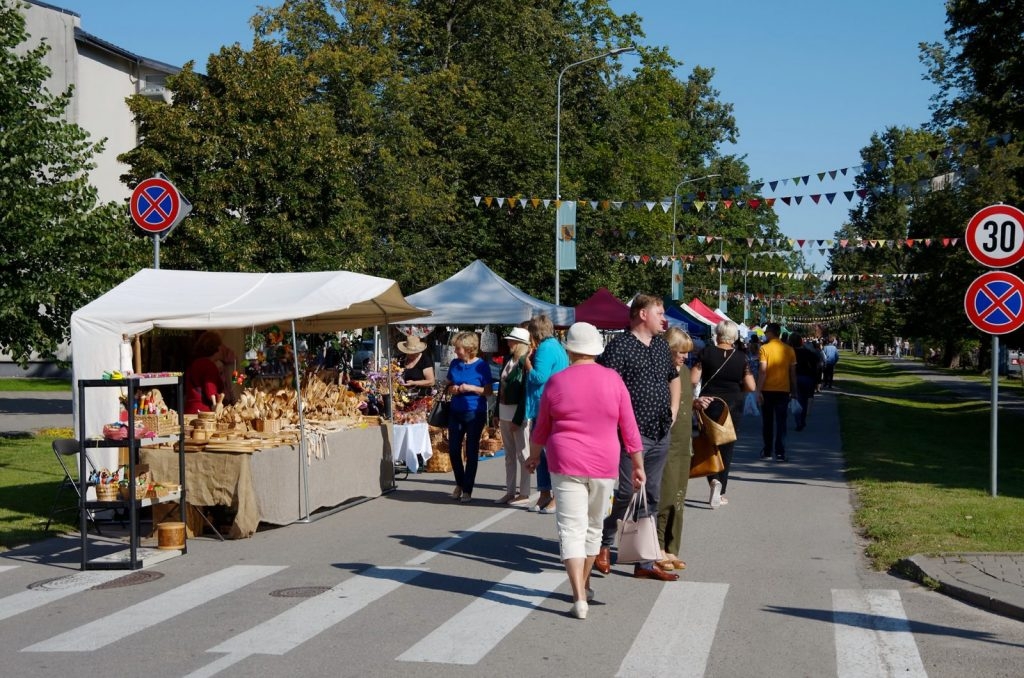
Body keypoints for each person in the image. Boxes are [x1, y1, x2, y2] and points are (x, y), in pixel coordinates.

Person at [527, 322, 645, 620]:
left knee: (570, 529)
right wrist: (638, 464)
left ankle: (579, 595)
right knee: (594, 527)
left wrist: (534, 455)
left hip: (564, 461)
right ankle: (585, 584)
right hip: (604, 463)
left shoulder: (556, 382)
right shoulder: (614, 380)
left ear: (569, 349)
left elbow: (542, 426)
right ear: (596, 350)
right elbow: (629, 427)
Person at [595, 294, 680, 582]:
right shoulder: (620, 346)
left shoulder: (659, 345)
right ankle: (603, 544)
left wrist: (674, 408)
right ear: (642, 314)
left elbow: (674, 377)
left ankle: (643, 560)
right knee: (626, 492)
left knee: (652, 496)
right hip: (631, 434)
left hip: (659, 431)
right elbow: (605, 386)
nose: (663, 319)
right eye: (659, 312)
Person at [691, 320, 756, 508]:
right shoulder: (741, 357)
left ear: (717, 334)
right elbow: (751, 385)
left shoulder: (706, 353)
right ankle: (721, 490)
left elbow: (694, 379)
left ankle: (713, 479)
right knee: (727, 446)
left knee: (709, 443)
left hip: (709, 404)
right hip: (733, 405)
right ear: (734, 336)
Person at [516, 314, 568, 514]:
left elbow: (540, 377)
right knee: (545, 455)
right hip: (550, 404)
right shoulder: (556, 346)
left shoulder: (545, 349)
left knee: (546, 452)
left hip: (545, 405)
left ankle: (554, 495)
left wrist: (527, 363)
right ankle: (545, 493)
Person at [656, 327, 696, 570]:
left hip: (683, 441)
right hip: (665, 441)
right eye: (681, 352)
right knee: (665, 494)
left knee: (679, 496)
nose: (685, 357)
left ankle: (672, 547)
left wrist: (697, 403)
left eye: (687, 352)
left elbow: (682, 402)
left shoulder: (685, 372)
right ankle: (658, 546)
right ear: (669, 350)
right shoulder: (661, 372)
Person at [444, 331, 493, 503]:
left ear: (469, 349)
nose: (456, 351)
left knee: (471, 451)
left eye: (458, 348)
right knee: (454, 449)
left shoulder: (481, 366)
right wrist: (454, 389)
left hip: (474, 412)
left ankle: (467, 489)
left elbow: (488, 391)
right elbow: (448, 384)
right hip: (456, 410)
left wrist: (471, 388)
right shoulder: (455, 364)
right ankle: (460, 482)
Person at [494, 327, 532, 506]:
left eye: (512, 341)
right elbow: (501, 387)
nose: (508, 343)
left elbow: (526, 393)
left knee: (523, 454)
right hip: (504, 411)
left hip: (518, 414)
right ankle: (510, 491)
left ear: (520, 344)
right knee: (509, 455)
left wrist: (518, 419)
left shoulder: (526, 362)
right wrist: (496, 412)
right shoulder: (509, 360)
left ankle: (524, 493)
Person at [757, 322, 797, 462]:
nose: (765, 334)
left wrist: (758, 390)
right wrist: (794, 390)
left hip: (767, 390)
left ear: (770, 333)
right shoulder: (789, 350)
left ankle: (768, 450)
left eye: (766, 332)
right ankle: (780, 452)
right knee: (781, 422)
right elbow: (792, 373)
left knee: (767, 422)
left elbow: (762, 371)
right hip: (783, 390)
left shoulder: (764, 349)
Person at [184, 330, 230, 414]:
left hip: (190, 409)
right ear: (218, 348)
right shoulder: (209, 366)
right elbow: (210, 392)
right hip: (203, 413)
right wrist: (221, 398)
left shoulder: (194, 363)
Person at [788, 332, 821, 431]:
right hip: (808, 378)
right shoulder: (808, 352)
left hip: (796, 377)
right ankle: (802, 419)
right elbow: (817, 362)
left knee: (796, 399)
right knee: (805, 400)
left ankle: (798, 421)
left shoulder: (790, 352)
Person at [397, 334, 435, 399]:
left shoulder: (425, 360)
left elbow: (431, 381)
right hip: (402, 397)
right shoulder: (401, 358)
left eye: (413, 353)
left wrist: (414, 383)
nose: (410, 355)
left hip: (421, 397)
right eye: (408, 352)